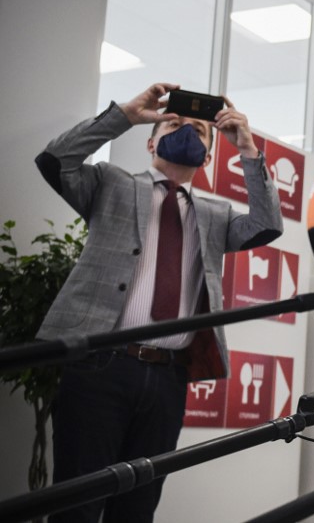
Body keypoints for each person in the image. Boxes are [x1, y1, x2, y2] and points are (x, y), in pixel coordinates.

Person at [35, 83, 283, 522]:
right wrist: (126, 115)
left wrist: (246, 146)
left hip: (168, 380)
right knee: (76, 504)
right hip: (99, 369)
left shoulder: (215, 215)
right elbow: (56, 160)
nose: (186, 131)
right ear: (151, 142)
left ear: (207, 157)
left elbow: (266, 224)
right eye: (174, 123)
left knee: (138, 507)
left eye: (199, 131)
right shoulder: (110, 184)